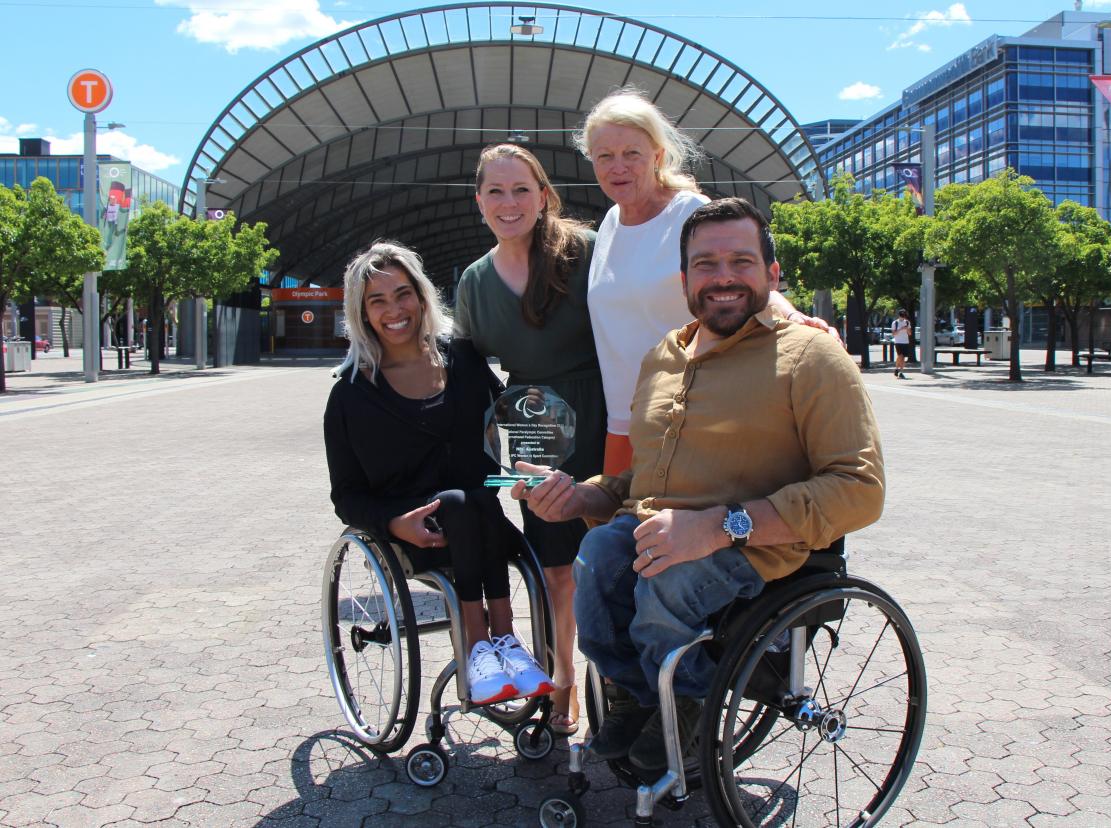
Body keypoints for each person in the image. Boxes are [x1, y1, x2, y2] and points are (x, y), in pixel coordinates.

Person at [515, 198, 885, 772]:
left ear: (772, 274)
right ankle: (639, 697)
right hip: (655, 528)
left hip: (757, 545)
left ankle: (692, 705)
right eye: (706, 264)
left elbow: (859, 488)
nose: (724, 277)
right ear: (685, 280)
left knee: (667, 579)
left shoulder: (811, 356)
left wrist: (714, 527)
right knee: (593, 558)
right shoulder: (663, 355)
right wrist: (580, 496)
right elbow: (642, 478)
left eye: (741, 260)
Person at [324, 240, 554, 707]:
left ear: (423, 296)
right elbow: (346, 496)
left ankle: (501, 646)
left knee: (475, 499)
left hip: (486, 522)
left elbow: (510, 415)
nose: (395, 309)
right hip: (416, 535)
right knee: (458, 503)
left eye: (403, 293)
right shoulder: (350, 396)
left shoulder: (463, 360)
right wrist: (392, 522)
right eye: (378, 300)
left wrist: (541, 454)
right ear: (361, 312)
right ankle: (484, 639)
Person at [574, 87, 836, 476]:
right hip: (624, 422)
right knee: (615, 529)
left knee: (669, 531)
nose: (618, 167)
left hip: (692, 416)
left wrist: (792, 315)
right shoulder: (610, 222)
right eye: (605, 157)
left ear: (658, 156)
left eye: (632, 154)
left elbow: (741, 280)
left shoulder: (690, 214)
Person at [454, 143, 608, 735]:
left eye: (521, 189)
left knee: (620, 555)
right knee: (556, 568)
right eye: (496, 191)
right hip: (533, 424)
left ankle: (620, 686)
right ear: (479, 203)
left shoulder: (588, 252)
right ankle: (563, 681)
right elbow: (464, 369)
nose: (509, 202)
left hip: (607, 407)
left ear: (543, 195)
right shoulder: (474, 281)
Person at [891, 309, 912, 378]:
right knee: (900, 356)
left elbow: (909, 333)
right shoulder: (895, 323)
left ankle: (901, 372)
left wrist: (907, 329)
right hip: (898, 341)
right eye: (902, 315)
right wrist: (901, 329)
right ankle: (897, 369)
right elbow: (894, 334)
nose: (903, 317)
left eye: (904, 315)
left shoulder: (907, 322)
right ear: (899, 315)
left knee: (903, 358)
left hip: (905, 341)